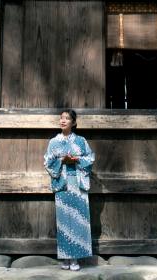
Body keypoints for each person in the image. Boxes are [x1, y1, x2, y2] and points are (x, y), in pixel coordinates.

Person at [43, 109, 95, 271]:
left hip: (78, 184)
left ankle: (76, 258)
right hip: (62, 184)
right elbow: (47, 162)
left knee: (79, 220)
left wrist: (77, 159)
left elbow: (90, 158)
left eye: (67, 118)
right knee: (64, 221)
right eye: (61, 118)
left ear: (73, 122)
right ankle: (65, 257)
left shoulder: (81, 141)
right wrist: (62, 161)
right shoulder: (53, 142)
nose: (63, 121)